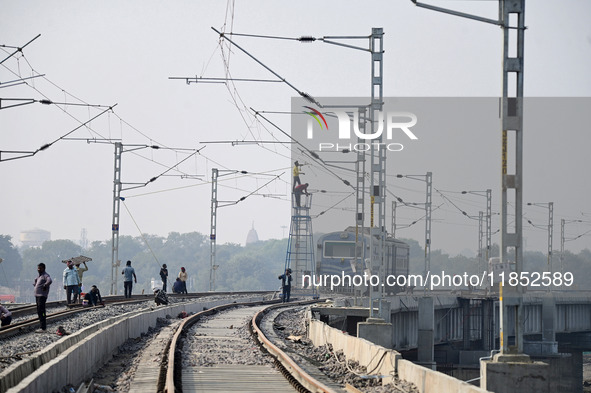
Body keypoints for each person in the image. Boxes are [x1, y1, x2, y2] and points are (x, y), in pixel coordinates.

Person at [34, 263, 52, 331]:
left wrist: (45, 285)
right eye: (38, 268)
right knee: (39, 311)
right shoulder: (39, 276)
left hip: (42, 296)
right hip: (37, 296)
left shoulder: (45, 275)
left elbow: (49, 280)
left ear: (43, 268)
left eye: (40, 268)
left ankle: (43, 327)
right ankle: (41, 326)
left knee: (42, 311)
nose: (38, 269)